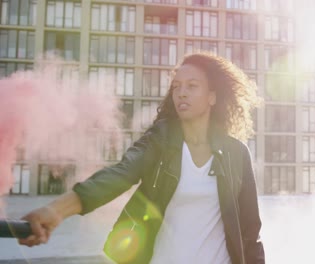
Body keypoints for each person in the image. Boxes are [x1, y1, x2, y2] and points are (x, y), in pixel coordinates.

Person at [18, 52, 265, 264]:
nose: (181, 93)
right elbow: (119, 175)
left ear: (212, 97)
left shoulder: (236, 154)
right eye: (176, 86)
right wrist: (56, 211)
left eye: (192, 86)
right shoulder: (160, 141)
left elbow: (250, 232)